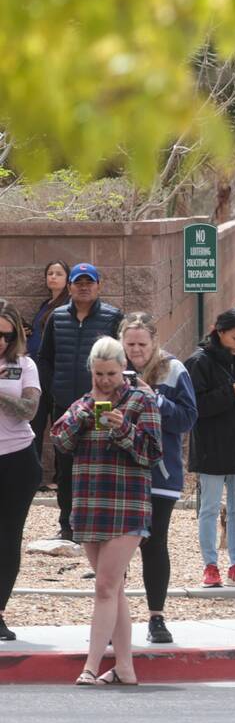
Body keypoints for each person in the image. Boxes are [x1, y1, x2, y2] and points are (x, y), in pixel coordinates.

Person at [51, 337, 162, 685]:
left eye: (111, 374)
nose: (103, 381)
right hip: (90, 503)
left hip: (127, 503)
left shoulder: (142, 400)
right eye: (98, 374)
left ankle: (90, 664)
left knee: (105, 586)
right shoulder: (83, 404)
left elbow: (152, 453)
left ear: (123, 369)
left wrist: (123, 428)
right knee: (113, 590)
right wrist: (84, 415)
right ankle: (125, 667)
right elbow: (60, 443)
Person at [119, 313, 197, 644]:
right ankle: (114, 618)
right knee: (116, 548)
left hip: (160, 473)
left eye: (142, 343)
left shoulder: (173, 369)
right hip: (119, 472)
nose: (136, 350)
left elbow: (188, 418)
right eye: (130, 343)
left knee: (155, 543)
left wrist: (155, 398)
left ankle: (157, 618)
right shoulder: (110, 364)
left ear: (154, 341)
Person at [37, 263, 124, 542]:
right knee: (66, 464)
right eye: (78, 282)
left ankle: (98, 524)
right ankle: (67, 525)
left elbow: (123, 361)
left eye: (89, 282)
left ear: (99, 285)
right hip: (64, 404)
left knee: (99, 460)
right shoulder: (57, 317)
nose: (84, 287)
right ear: (70, 286)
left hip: (102, 405)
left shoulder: (112, 317)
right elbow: (46, 358)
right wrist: (51, 388)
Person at [185, 308, 235, 588]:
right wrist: (229, 392)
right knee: (208, 507)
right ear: (219, 333)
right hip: (211, 445)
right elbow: (195, 406)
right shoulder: (199, 362)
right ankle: (210, 565)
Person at [0, 300, 42, 641]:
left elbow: (28, 410)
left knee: (8, 538)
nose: (1, 341)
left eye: (7, 335)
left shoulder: (24, 365)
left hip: (17, 459)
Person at [26, 260, 70, 466]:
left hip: (53, 375)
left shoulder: (67, 306)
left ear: (68, 279)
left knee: (58, 426)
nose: (53, 276)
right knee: (35, 424)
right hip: (36, 374)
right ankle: (34, 474)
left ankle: (58, 477)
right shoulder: (46, 305)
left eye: (58, 273)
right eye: (50, 273)